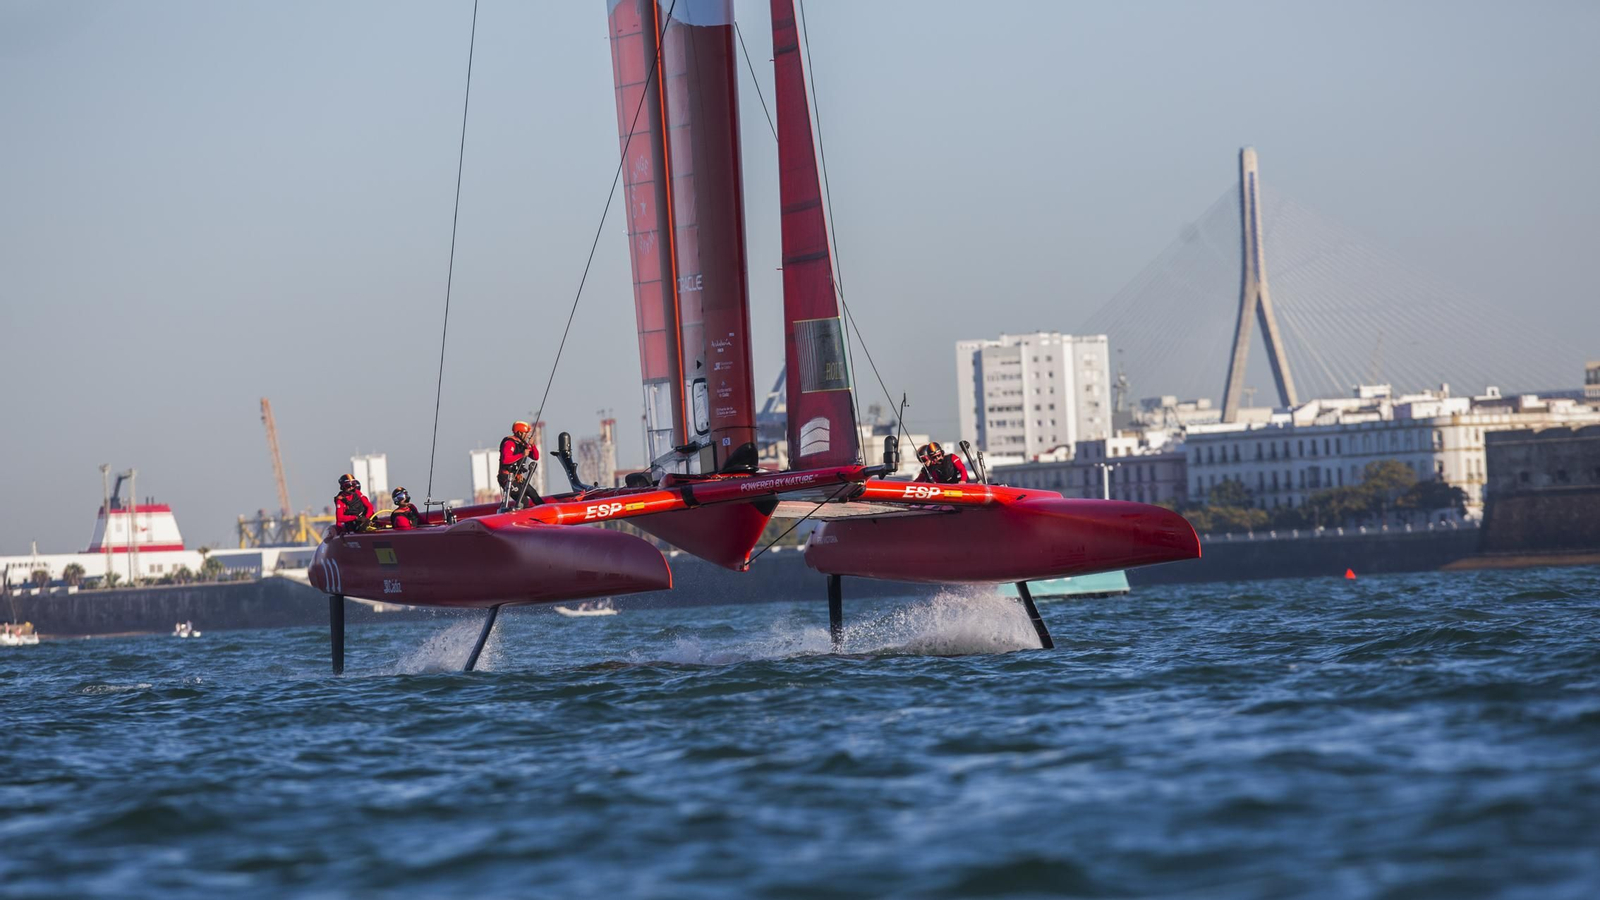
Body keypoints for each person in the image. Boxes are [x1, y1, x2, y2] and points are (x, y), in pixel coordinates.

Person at [499, 420, 542, 506]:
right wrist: (522, 454)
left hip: (517, 478)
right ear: (519, 433)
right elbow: (505, 460)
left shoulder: (522, 444)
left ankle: (544, 511)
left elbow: (535, 457)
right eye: (525, 433)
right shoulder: (509, 443)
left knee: (533, 494)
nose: (527, 435)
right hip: (507, 478)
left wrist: (532, 445)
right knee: (523, 500)